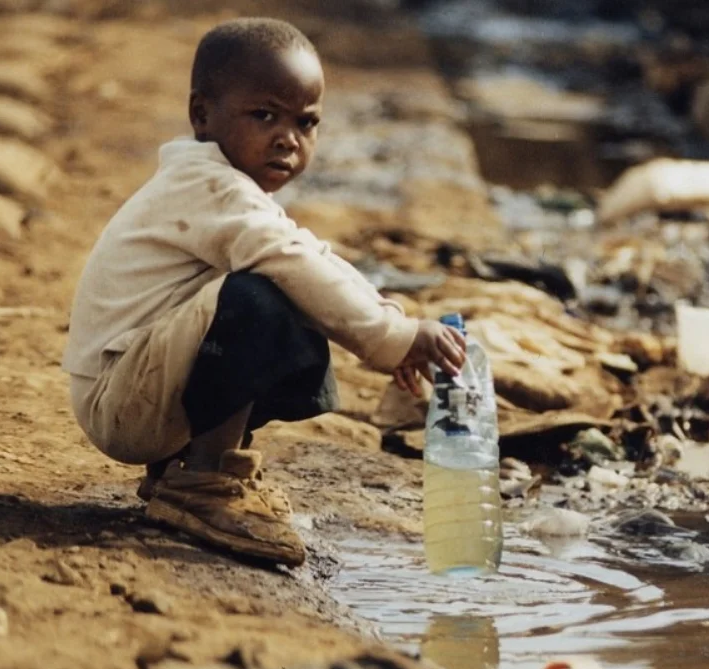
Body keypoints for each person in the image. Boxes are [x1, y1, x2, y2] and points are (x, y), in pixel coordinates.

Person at [61, 17, 466, 567]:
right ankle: (204, 481)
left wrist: (393, 323)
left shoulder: (229, 188)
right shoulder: (206, 186)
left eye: (306, 122)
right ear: (202, 114)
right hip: (120, 401)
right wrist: (393, 338)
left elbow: (310, 256)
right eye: (265, 115)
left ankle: (184, 467)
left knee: (291, 294)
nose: (288, 138)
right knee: (260, 298)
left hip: (140, 388)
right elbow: (293, 262)